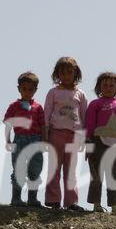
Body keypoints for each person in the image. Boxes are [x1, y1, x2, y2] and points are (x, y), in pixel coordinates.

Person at [44, 57, 88, 211]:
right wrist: (46, 132)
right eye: (63, 72)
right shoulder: (53, 92)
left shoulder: (80, 94)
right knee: (54, 167)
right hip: (56, 133)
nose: (66, 75)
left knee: (71, 170)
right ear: (58, 74)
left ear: (76, 73)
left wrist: (84, 138)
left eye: (70, 72)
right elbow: (47, 112)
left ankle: (71, 202)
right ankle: (53, 199)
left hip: (74, 136)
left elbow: (84, 116)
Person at [85, 72, 116, 213]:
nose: (108, 87)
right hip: (97, 142)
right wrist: (88, 145)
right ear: (99, 87)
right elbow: (89, 125)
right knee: (96, 175)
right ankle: (96, 204)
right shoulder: (95, 104)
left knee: (114, 176)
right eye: (104, 85)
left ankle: (114, 206)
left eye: (112, 85)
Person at [3, 72, 45, 207]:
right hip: (19, 140)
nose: (27, 92)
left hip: (35, 140)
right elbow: (8, 124)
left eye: (31, 89)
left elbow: (43, 125)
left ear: (35, 90)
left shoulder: (38, 107)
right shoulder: (14, 106)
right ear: (19, 89)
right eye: (24, 89)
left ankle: (32, 198)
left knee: (35, 169)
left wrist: (44, 142)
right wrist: (7, 140)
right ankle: (16, 198)